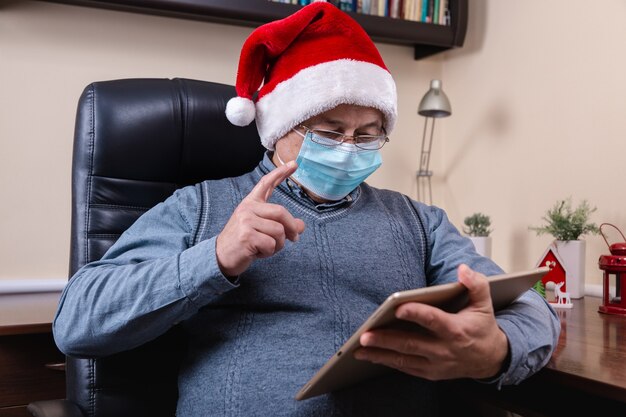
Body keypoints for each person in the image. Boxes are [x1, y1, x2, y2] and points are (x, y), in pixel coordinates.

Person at [53, 2, 560, 416]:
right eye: (328, 132)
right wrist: (216, 257)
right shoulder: (201, 204)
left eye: (367, 135)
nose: (348, 148)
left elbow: (525, 303)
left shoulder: (418, 221)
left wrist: (497, 351)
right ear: (278, 129)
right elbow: (77, 321)